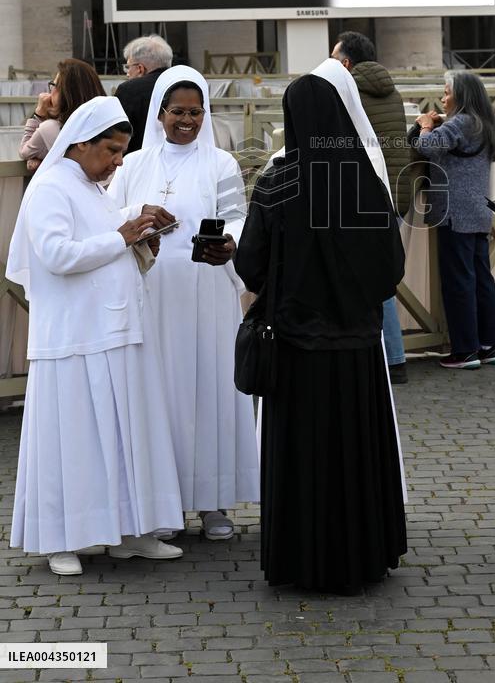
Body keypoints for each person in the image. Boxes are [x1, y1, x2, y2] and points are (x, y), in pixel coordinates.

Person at [234, 71, 407, 593]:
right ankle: (362, 555)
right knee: (355, 452)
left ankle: (300, 560)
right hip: (355, 346)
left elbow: (250, 264)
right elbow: (391, 269)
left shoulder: (277, 182)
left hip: (294, 343)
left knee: (303, 457)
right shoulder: (365, 183)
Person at [8, 96, 185, 576]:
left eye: (123, 151)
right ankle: (59, 538)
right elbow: (58, 255)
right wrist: (124, 236)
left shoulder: (92, 188)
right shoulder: (49, 188)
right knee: (71, 441)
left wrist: (141, 229)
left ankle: (129, 531)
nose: (117, 161)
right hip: (72, 339)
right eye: (110, 150)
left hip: (111, 331)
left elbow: (105, 238)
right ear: (80, 144)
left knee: (123, 436)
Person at [108, 66, 259, 541]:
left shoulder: (221, 164)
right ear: (160, 113)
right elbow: (109, 218)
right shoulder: (132, 166)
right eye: (178, 112)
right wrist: (139, 221)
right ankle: (162, 506)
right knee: (160, 400)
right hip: (151, 298)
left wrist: (229, 245)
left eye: (196, 112)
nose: (187, 121)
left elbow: (237, 219)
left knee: (209, 395)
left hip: (206, 296)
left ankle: (213, 504)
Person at [411, 70, 495, 369]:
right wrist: (442, 121)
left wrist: (425, 125)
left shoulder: (462, 123)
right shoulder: (483, 123)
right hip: (477, 211)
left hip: (454, 213)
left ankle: (464, 351)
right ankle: (491, 344)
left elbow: (426, 147)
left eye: (447, 92)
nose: (442, 98)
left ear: (461, 96)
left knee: (458, 282)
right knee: (481, 280)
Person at [332, 30, 411, 384]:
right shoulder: (390, 90)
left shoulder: (349, 90)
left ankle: (381, 357)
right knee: (383, 275)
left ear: (346, 63)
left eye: (334, 59)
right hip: (394, 190)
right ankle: (394, 358)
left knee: (365, 278)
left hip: (365, 193)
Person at [19, 58, 106, 172]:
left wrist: (38, 114)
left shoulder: (51, 129)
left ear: (66, 93)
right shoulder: (103, 124)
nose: (51, 90)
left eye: (54, 85)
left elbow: (24, 152)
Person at [114, 35, 173, 152]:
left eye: (128, 67)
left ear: (140, 68)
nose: (127, 73)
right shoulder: (183, 84)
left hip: (138, 161)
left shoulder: (128, 89)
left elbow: (117, 133)